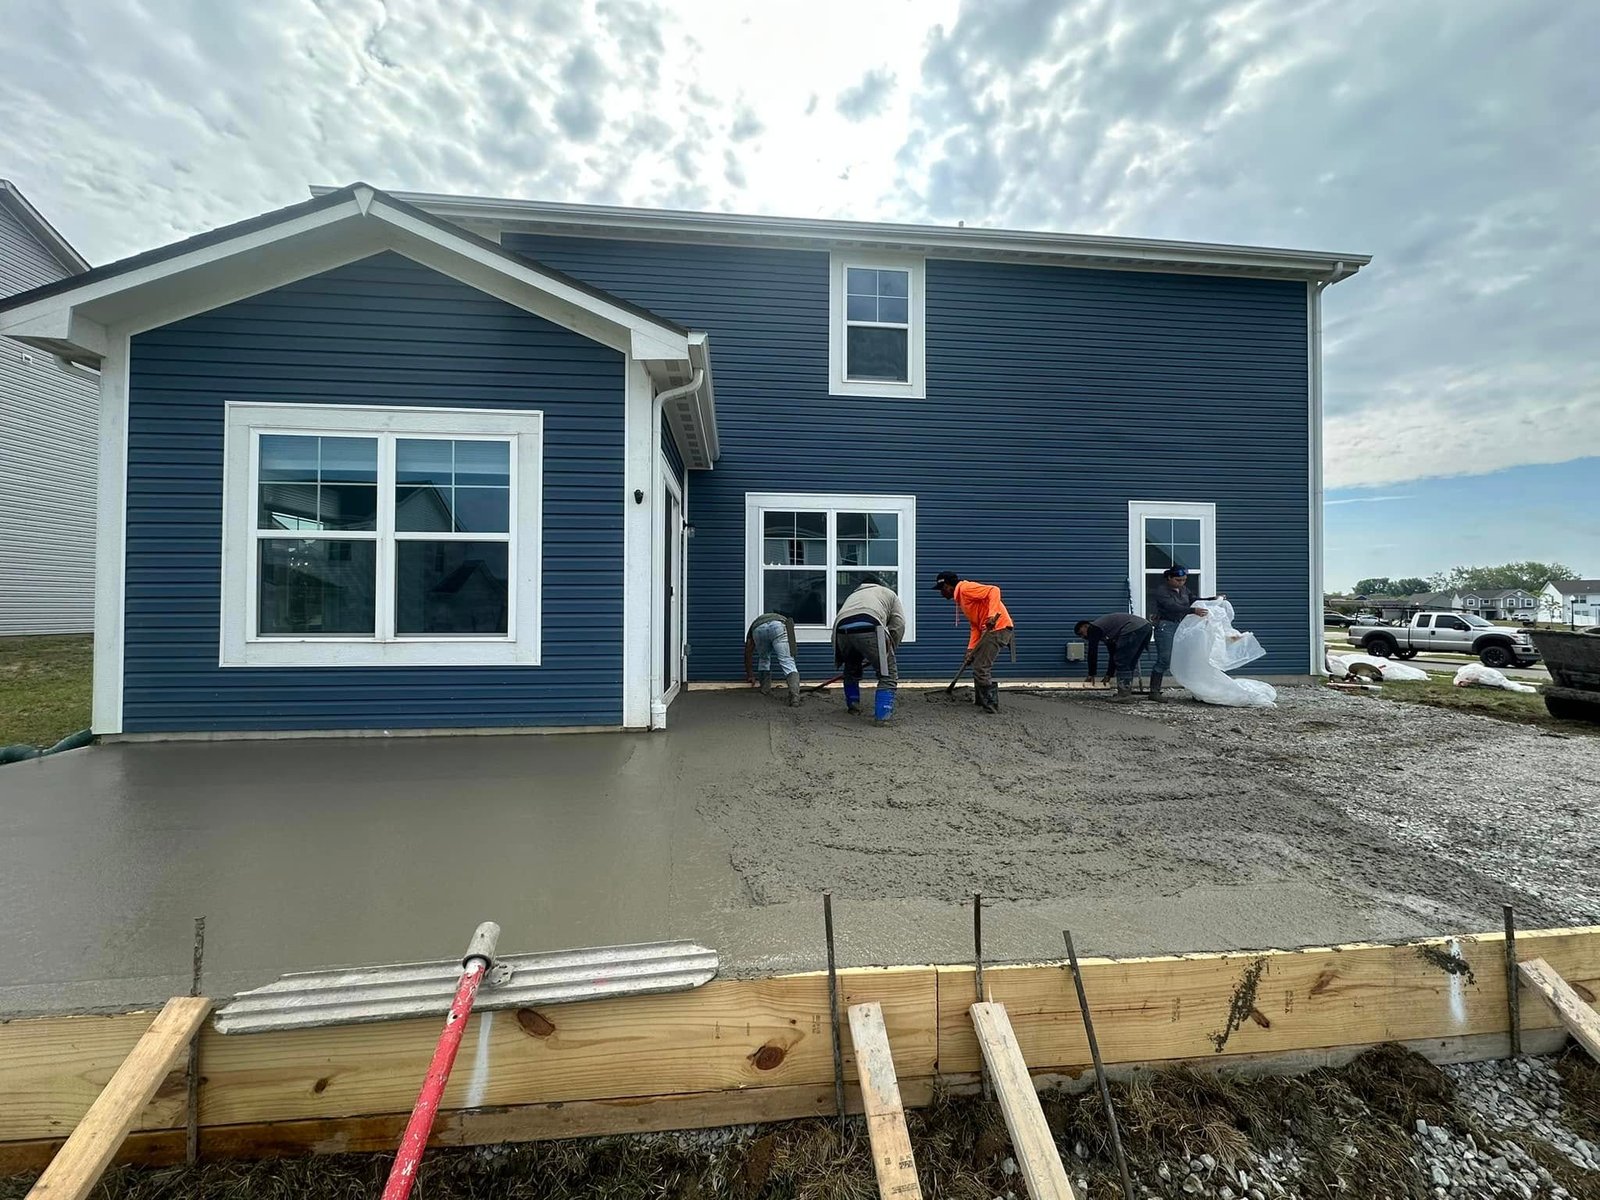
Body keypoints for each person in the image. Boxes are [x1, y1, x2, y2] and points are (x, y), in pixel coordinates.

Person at [932, 571, 1014, 714]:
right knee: (977, 663)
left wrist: (991, 616)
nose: (941, 594)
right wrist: (970, 650)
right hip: (988, 630)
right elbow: (975, 626)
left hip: (998, 628)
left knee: (981, 667)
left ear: (947, 586)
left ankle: (990, 706)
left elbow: (994, 590)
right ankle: (981, 701)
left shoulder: (965, 588)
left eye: (941, 590)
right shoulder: (962, 599)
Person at [832, 576, 906, 724]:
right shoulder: (887, 593)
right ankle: (882, 717)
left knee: (851, 667)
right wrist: (889, 650)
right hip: (870, 624)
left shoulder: (853, 595)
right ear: (878, 584)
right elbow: (898, 624)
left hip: (841, 630)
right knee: (888, 674)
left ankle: (853, 706)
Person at [1148, 566, 1209, 702]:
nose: (1181, 582)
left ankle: (1196, 691)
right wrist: (1193, 611)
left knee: (1188, 657)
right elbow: (1172, 606)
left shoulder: (1183, 590)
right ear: (1169, 578)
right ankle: (1154, 691)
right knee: (1165, 658)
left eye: (1184, 580)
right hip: (1165, 625)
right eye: (1178, 580)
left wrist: (1211, 599)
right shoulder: (1161, 591)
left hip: (1180, 625)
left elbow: (1194, 599)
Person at [1075, 612, 1153, 702]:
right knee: (1129, 662)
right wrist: (1109, 674)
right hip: (1145, 626)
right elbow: (1113, 653)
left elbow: (1092, 652)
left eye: (1081, 633)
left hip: (1132, 628)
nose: (1083, 637)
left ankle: (1124, 695)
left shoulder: (1093, 628)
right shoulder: (1107, 632)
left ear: (1086, 626)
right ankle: (1126, 691)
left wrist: (1091, 674)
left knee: (1122, 660)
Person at [744, 611, 801, 707]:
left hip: (759, 629)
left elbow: (748, 651)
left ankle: (764, 690)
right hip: (778, 627)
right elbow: (792, 646)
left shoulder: (754, 625)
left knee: (763, 659)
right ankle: (795, 697)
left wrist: (750, 674)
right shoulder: (784, 621)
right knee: (787, 661)